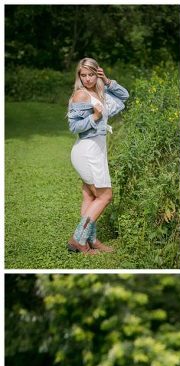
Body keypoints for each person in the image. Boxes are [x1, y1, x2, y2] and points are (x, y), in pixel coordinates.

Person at [66, 58, 129, 254]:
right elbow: (74, 126)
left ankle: (91, 240)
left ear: (97, 73)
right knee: (105, 196)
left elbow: (124, 96)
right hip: (87, 151)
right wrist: (94, 117)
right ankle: (78, 239)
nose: (87, 79)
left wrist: (108, 81)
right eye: (83, 75)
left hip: (96, 151)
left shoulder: (99, 92)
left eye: (90, 74)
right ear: (79, 76)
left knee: (89, 194)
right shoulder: (81, 96)